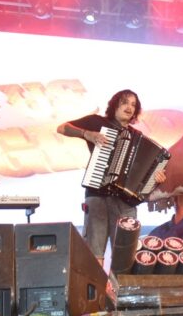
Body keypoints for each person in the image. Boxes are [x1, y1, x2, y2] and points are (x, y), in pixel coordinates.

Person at [58, 90, 165, 262]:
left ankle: (118, 281)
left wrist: (155, 179)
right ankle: (96, 281)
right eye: (125, 102)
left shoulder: (137, 137)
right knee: (95, 256)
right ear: (115, 104)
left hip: (125, 202)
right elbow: (62, 128)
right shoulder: (97, 122)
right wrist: (87, 134)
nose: (129, 107)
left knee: (124, 258)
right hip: (97, 195)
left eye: (133, 105)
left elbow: (143, 175)